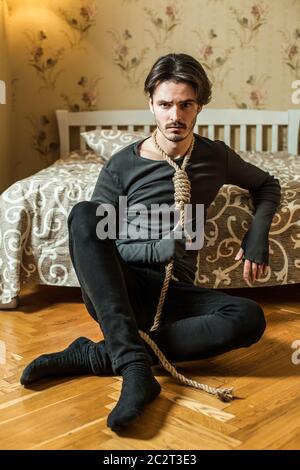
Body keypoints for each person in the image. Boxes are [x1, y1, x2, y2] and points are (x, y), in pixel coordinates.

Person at [20, 53, 281, 432]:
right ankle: (135, 370)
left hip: (174, 292)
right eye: (165, 104)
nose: (175, 115)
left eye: (185, 104)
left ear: (199, 107)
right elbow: (100, 242)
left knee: (249, 318)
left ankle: (97, 356)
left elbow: (267, 184)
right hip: (119, 291)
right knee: (84, 213)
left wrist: (258, 235)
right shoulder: (122, 165)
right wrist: (155, 249)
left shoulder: (215, 157)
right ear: (151, 105)